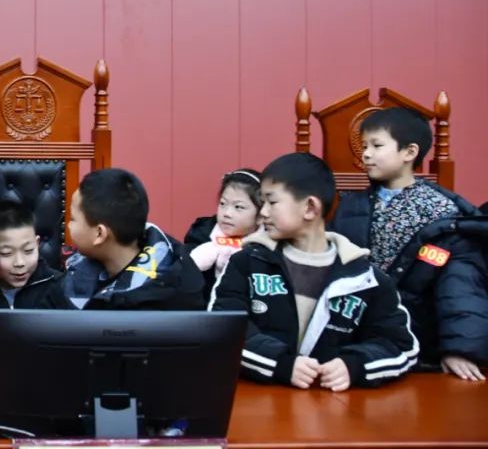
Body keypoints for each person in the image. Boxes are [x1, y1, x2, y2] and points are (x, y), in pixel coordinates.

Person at [210, 153, 419, 390]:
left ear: (310, 208)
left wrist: (354, 366)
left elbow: (400, 346)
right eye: (261, 203)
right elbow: (222, 329)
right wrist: (280, 364)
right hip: (261, 402)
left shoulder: (366, 278)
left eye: (272, 202)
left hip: (333, 405)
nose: (263, 212)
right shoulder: (246, 263)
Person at [330, 108, 488, 381]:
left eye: (377, 145)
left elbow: (460, 285)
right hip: (355, 331)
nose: (366, 154)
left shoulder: (442, 213)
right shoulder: (350, 205)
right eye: (364, 146)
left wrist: (459, 349)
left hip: (418, 338)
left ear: (409, 152)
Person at [0, 203, 72, 378]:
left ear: (38, 243)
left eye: (28, 251)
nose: (19, 263)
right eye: (6, 253)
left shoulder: (57, 286)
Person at [61, 168, 204, 310]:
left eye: (73, 219)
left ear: (99, 234)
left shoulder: (159, 302)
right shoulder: (79, 264)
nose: (68, 225)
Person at [184, 169, 263, 297]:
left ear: (261, 213)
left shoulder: (269, 247)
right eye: (222, 204)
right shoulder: (201, 236)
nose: (226, 213)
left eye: (238, 207)